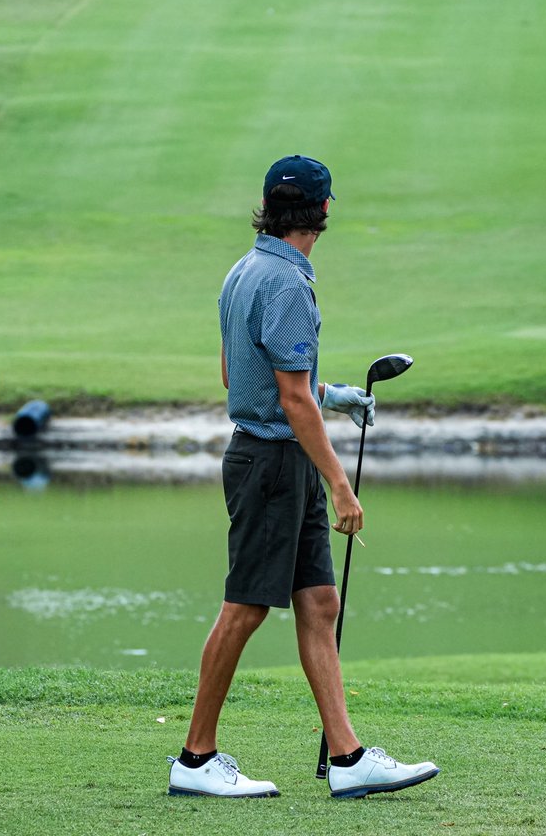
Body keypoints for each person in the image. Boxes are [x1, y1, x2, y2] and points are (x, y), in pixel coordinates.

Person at [167, 155, 439, 801]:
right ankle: (195, 758)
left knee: (319, 603)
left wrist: (334, 394)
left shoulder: (243, 271)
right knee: (246, 607)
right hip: (274, 465)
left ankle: (347, 759)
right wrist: (340, 485)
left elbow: (244, 377)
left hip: (269, 457)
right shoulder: (288, 284)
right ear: (321, 211)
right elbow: (289, 402)